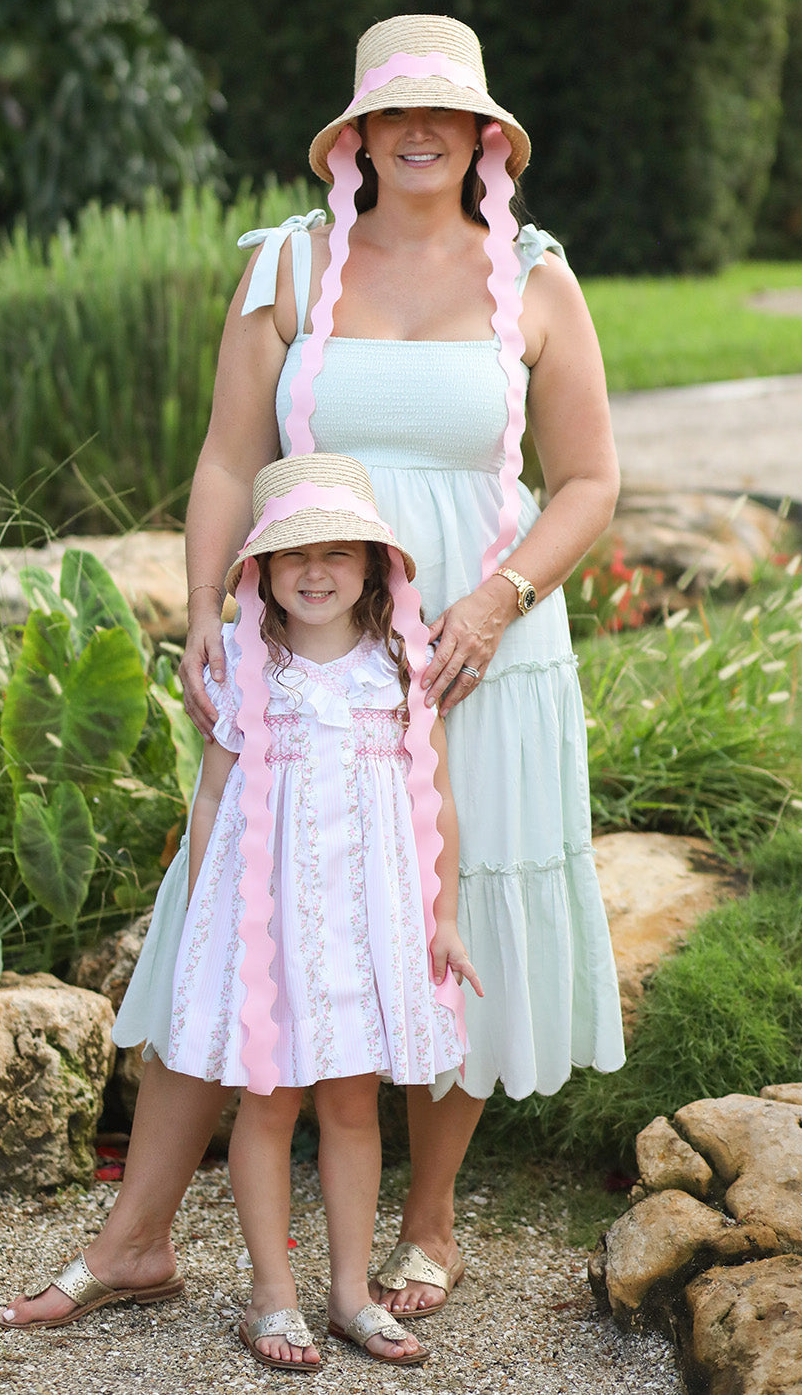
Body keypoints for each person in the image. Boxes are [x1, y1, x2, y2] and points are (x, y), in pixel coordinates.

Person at [0, 11, 624, 1333]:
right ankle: (135, 1239)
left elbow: (590, 480)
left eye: (446, 112)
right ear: (354, 133)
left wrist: (497, 602)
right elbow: (229, 459)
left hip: (478, 654)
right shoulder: (285, 267)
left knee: (459, 910)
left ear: (482, 135)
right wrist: (210, 615)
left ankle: (430, 1226)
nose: (419, 131)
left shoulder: (539, 279)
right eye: (397, 111)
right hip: (302, 646)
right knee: (230, 908)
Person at [151, 452, 482, 1369]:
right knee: (266, 1102)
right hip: (267, 927)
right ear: (257, 569)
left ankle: (347, 1293)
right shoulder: (249, 676)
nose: (317, 570)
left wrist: (443, 919)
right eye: (295, 553)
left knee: (350, 1105)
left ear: (377, 565)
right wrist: (203, 918)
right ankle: (272, 1297)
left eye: (342, 551)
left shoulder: (400, 670)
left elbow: (436, 803)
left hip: (367, 924)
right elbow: (213, 800)